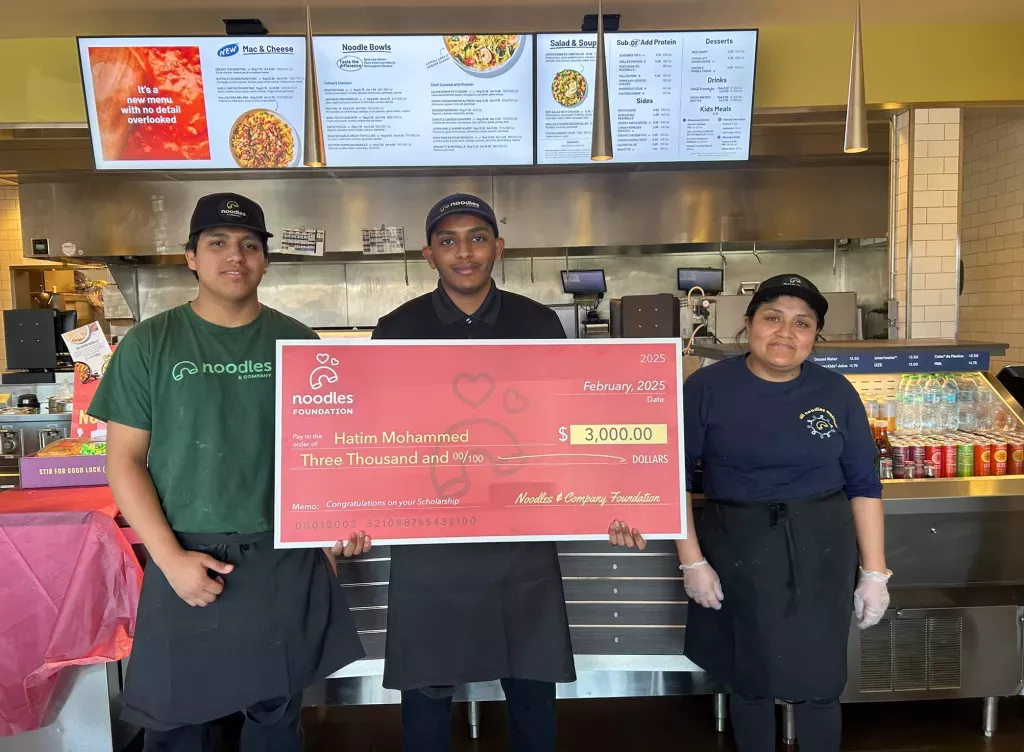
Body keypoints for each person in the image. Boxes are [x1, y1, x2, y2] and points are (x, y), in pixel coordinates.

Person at [89, 193, 367, 752]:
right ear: (191, 257)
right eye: (217, 243)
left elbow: (325, 452)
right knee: (176, 729)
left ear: (265, 260)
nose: (235, 255)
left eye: (249, 245)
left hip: (282, 561)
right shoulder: (150, 343)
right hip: (187, 559)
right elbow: (124, 461)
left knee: (275, 723)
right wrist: (170, 559)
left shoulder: (300, 343)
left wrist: (330, 528)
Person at [371, 193, 644, 752]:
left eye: (477, 238)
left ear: (498, 247)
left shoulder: (537, 322)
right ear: (428, 254)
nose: (464, 252)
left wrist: (617, 498)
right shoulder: (397, 328)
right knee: (426, 689)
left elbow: (569, 422)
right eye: (448, 241)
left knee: (530, 683)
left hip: (522, 532)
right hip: (430, 539)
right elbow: (375, 434)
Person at [677, 274, 890, 752]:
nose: (785, 333)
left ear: (815, 336)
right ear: (749, 323)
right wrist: (692, 561)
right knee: (750, 679)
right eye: (772, 318)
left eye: (802, 323)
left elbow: (863, 484)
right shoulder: (707, 387)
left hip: (824, 546)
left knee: (822, 679)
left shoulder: (836, 391)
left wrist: (875, 573)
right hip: (739, 543)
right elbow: (673, 478)